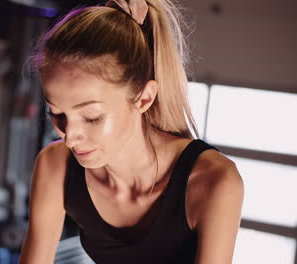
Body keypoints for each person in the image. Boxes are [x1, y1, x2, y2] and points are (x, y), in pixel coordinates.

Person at [19, 0, 244, 263]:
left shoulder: (213, 181)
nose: (70, 136)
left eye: (92, 117)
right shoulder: (55, 165)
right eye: (56, 114)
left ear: (144, 99)